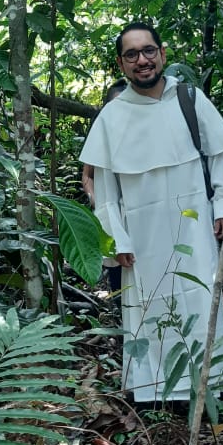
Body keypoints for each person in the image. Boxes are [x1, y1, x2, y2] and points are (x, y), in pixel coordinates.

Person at [79, 20, 223, 405]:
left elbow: (220, 157)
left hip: (194, 225)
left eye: (148, 50)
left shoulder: (190, 99)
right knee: (147, 308)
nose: (142, 60)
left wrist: (222, 207)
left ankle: (209, 387)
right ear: (121, 64)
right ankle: (154, 397)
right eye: (131, 54)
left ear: (162, 54)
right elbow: (105, 189)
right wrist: (115, 237)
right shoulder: (111, 117)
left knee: (199, 296)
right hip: (142, 235)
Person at [82, 78, 128, 299]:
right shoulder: (100, 137)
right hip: (111, 215)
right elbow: (87, 176)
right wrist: (96, 200)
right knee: (118, 275)